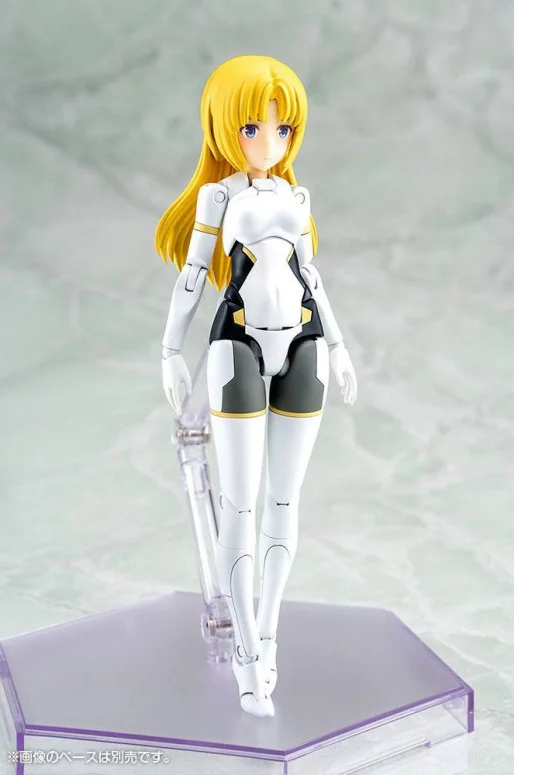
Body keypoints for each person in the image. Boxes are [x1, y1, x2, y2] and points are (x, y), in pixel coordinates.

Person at [156, 55, 357, 717]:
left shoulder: (297, 199)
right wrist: (170, 347)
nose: (268, 142)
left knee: (284, 501)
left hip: (303, 342)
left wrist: (337, 344)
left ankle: (267, 637)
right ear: (224, 128)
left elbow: (312, 276)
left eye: (282, 128)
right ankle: (245, 653)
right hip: (236, 344)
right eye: (251, 128)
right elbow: (193, 275)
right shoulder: (220, 197)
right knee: (239, 506)